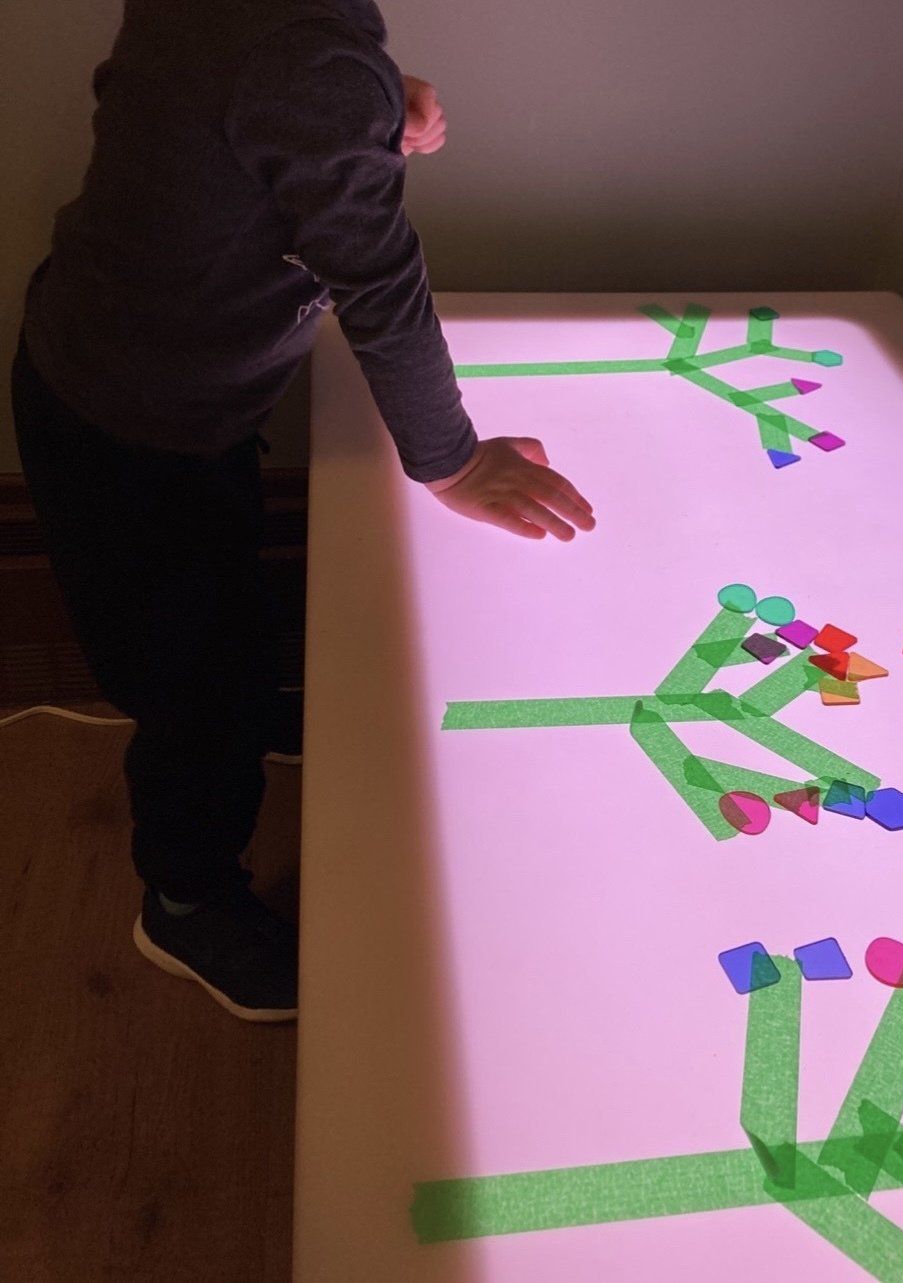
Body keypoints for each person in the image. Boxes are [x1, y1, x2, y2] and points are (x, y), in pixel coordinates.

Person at [9, 0, 595, 1023]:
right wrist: (451, 465)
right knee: (188, 681)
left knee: (221, 615)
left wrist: (361, 114)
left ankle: (244, 709)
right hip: (138, 429)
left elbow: (203, 100)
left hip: (138, 386)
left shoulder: (276, 38)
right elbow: (378, 278)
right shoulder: (302, 61)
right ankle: (186, 895)